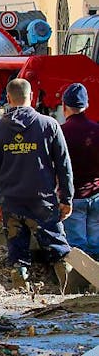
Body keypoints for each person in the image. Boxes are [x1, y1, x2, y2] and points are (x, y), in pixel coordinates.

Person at [0, 78, 74, 290]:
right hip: (42, 201)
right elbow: (64, 164)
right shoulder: (49, 125)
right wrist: (66, 198)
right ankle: (70, 291)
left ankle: (19, 292)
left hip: (11, 201)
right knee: (58, 249)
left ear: (8, 98)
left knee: (17, 252)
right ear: (31, 96)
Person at [60, 83, 99, 256]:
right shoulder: (96, 130)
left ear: (64, 106)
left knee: (77, 249)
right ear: (87, 105)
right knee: (96, 247)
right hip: (96, 195)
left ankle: (80, 281)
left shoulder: (61, 133)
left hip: (73, 198)